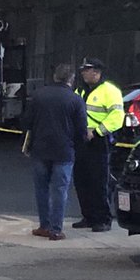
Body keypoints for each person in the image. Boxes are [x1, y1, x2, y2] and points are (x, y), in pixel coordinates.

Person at [20, 62, 87, 240]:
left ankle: (44, 225)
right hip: (64, 151)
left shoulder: (38, 96)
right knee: (60, 190)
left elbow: (26, 122)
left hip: (40, 149)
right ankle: (56, 229)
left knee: (41, 189)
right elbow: (81, 130)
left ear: (54, 77)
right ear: (71, 80)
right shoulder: (75, 100)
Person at [72, 57, 125, 232]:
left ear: (97, 72)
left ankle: (103, 219)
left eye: (86, 70)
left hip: (99, 141)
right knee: (82, 180)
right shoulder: (81, 90)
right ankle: (88, 216)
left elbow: (117, 118)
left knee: (99, 181)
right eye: (82, 70)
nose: (83, 73)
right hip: (80, 140)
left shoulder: (110, 91)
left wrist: (97, 132)